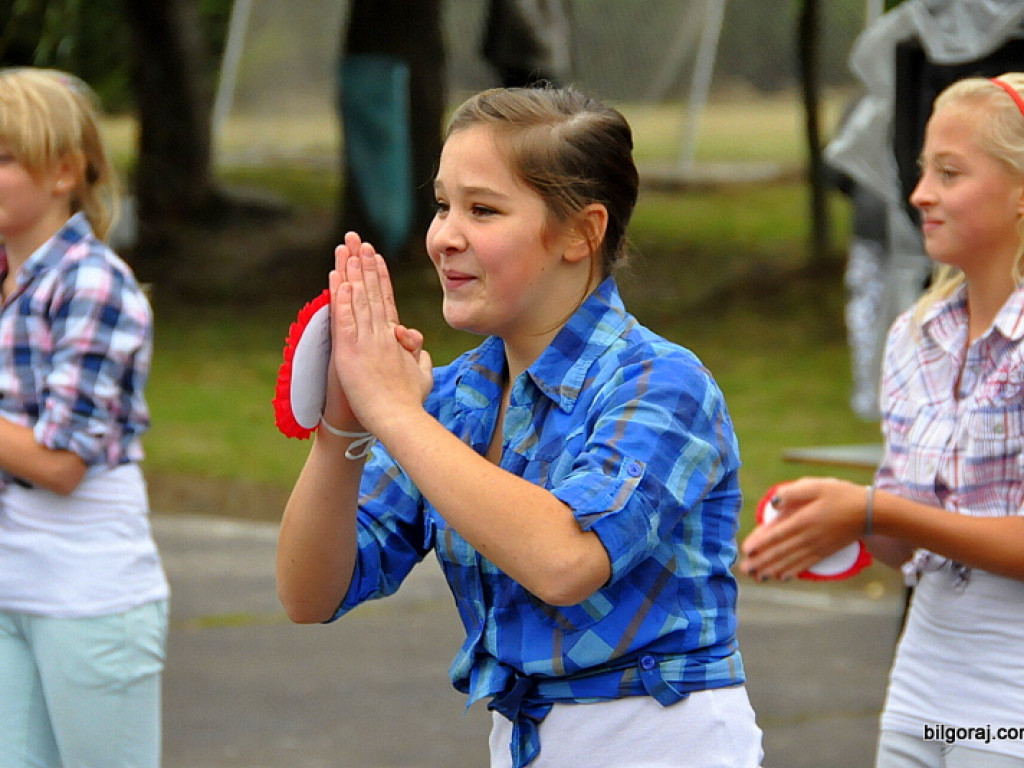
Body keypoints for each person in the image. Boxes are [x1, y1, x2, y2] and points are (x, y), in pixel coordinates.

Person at [277, 85, 763, 768]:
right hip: (524, 744)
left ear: (581, 232)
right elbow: (309, 593)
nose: (445, 235)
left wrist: (393, 411)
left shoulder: (663, 383)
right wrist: (345, 428)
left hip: (662, 740)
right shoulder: (454, 398)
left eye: (483, 209)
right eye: (443, 204)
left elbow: (564, 561)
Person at [740, 74, 1024, 767]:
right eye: (923, 169)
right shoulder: (915, 333)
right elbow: (904, 538)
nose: (920, 193)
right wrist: (830, 528)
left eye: (949, 173)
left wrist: (871, 511)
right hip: (926, 666)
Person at [0, 68, 168, 767]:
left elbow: (60, 463)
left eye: (5, 156)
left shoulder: (92, 284)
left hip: (88, 602)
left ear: (65, 171)